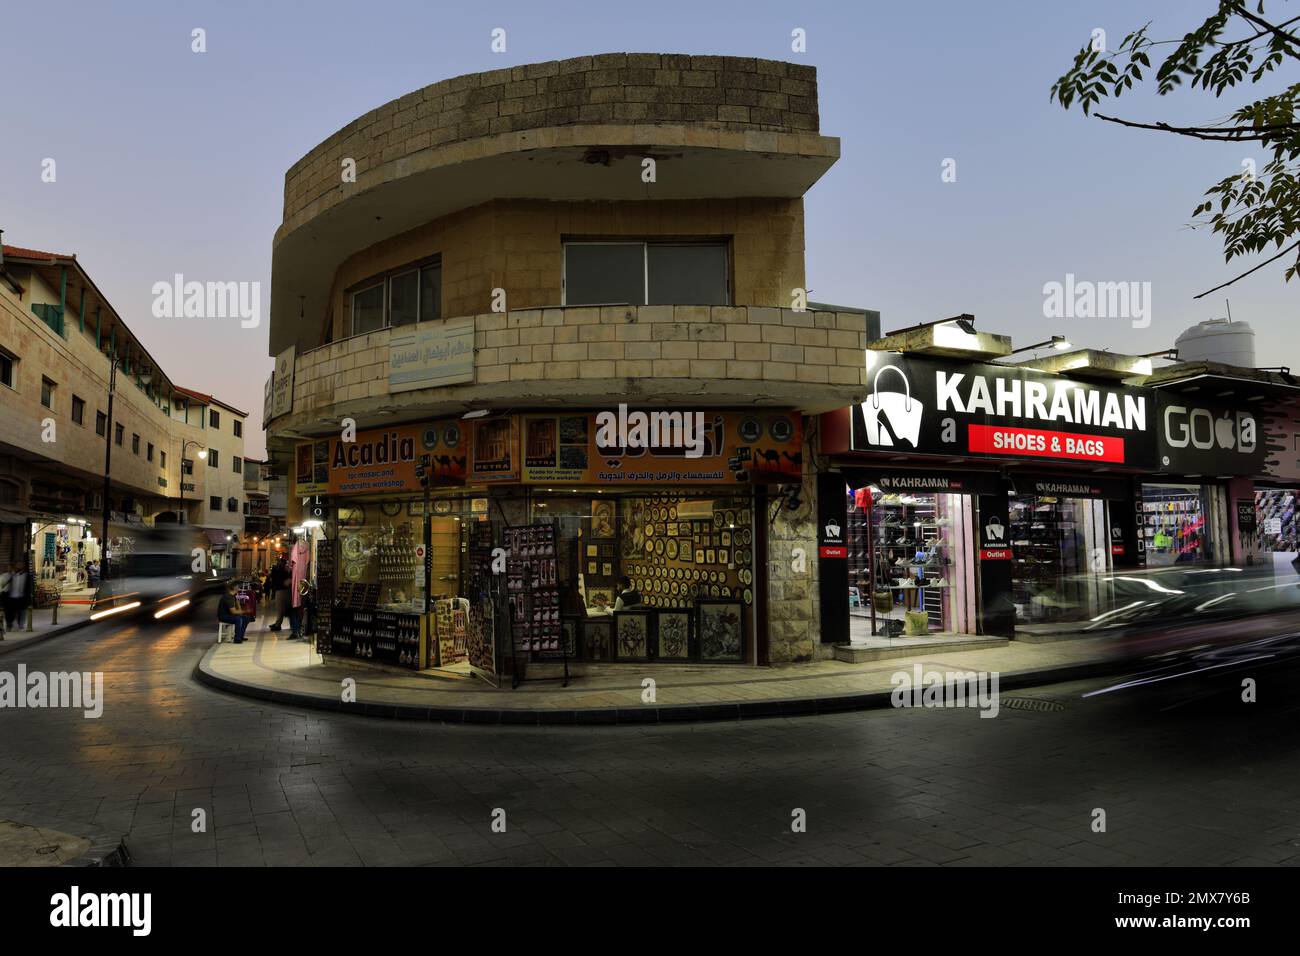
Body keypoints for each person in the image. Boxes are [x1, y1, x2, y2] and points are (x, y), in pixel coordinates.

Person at [217, 580, 253, 644]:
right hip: (224, 616)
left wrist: (238, 605)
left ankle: (240, 636)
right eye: (238, 586)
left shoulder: (233, 596)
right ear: (235, 587)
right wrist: (245, 611)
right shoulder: (228, 597)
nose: (239, 588)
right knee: (238, 619)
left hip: (230, 615)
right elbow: (233, 612)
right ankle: (237, 639)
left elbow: (239, 610)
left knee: (246, 618)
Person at [4, 563, 33, 630]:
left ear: (23, 566)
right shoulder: (12, 575)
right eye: (17, 565)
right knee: (10, 612)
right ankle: (9, 625)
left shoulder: (27, 575)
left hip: (21, 597)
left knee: (22, 611)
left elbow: (29, 587)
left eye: (20, 565)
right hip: (12, 597)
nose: (18, 566)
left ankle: (20, 625)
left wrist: (29, 597)